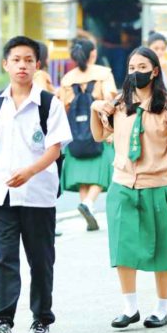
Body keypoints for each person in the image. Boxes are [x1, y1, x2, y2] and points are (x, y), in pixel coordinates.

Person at [0, 36, 72, 333]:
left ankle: (42, 318)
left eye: (28, 60)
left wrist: (30, 172)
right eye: (16, 59)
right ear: (5, 64)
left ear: (37, 65)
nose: (22, 65)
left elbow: (54, 149)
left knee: (40, 259)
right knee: (3, 258)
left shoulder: (49, 104)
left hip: (38, 196)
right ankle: (2, 322)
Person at [90, 46, 167, 329]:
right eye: (132, 68)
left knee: (162, 251)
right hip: (123, 185)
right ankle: (129, 307)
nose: (136, 73)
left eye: (143, 67)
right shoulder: (120, 104)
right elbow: (100, 135)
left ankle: (161, 309)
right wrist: (94, 109)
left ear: (155, 71)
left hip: (158, 185)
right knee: (123, 248)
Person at [58, 38, 117, 231]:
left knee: (83, 176)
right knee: (102, 172)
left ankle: (86, 208)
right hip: (98, 131)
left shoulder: (67, 79)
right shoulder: (103, 74)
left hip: (75, 134)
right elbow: (110, 100)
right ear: (93, 53)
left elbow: (63, 107)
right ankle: (89, 204)